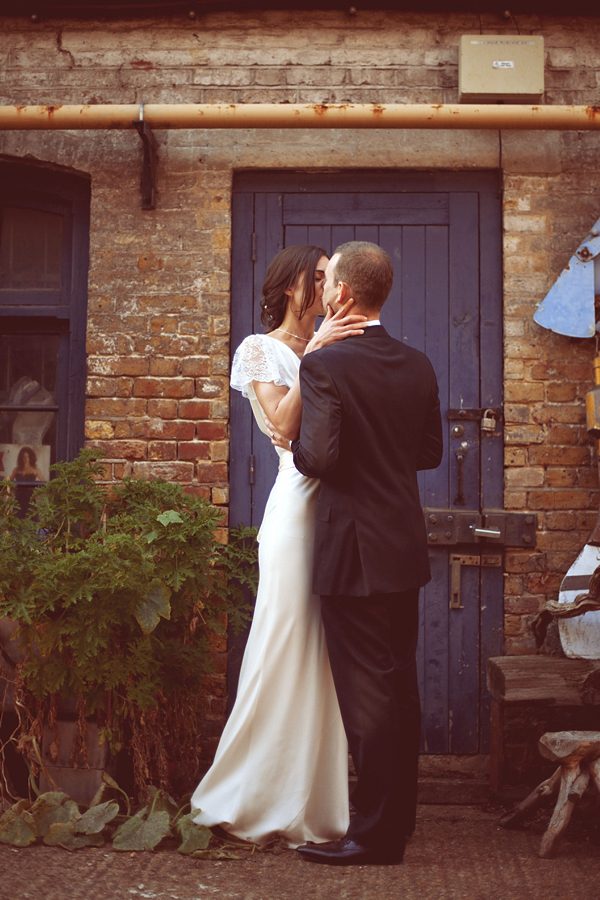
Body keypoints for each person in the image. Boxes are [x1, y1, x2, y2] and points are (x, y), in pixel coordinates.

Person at [190, 245, 367, 847]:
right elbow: (283, 427)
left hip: (344, 507)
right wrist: (317, 351)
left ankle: (318, 803)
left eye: (333, 276)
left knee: (329, 652)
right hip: (296, 506)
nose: (331, 286)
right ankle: (252, 793)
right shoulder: (260, 350)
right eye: (320, 277)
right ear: (294, 286)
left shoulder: (343, 343)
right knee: (284, 635)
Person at [291, 241, 443, 866]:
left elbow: (316, 458)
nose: (324, 293)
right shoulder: (418, 363)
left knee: (368, 699)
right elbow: (429, 452)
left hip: (354, 551)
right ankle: (395, 824)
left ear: (344, 295)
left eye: (330, 285)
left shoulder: (326, 367)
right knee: (398, 689)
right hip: (402, 546)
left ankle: (376, 838)